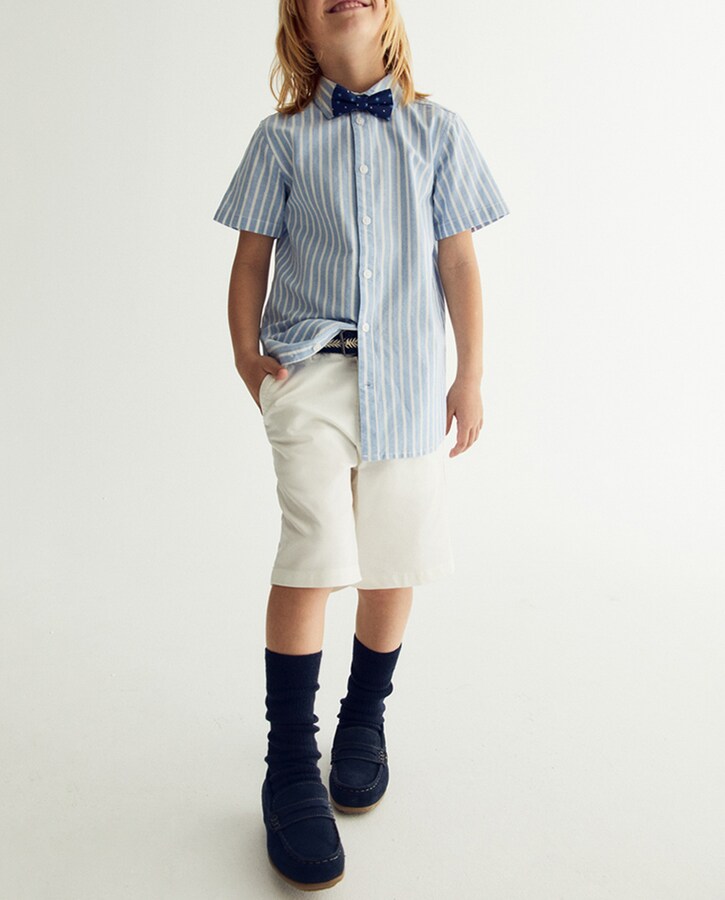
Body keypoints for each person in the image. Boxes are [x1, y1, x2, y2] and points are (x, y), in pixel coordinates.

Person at [213, 0, 509, 890]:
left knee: (391, 560)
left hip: (410, 378)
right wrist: (249, 361)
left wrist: (467, 375)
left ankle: (364, 718)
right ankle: (288, 767)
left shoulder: (438, 132)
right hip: (309, 371)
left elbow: (458, 261)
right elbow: (250, 260)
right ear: (299, 26)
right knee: (312, 556)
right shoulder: (280, 141)